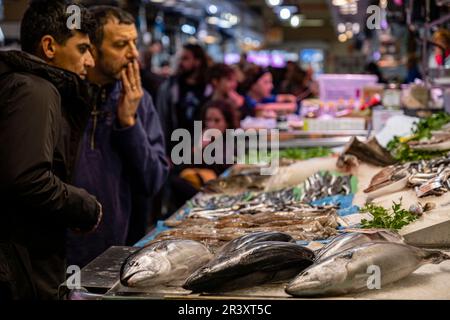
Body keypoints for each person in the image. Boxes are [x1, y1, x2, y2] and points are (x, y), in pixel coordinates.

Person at [0, 0, 102, 300]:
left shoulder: (18, 83)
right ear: (49, 46)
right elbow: (26, 178)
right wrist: (83, 207)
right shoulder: (36, 90)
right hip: (21, 265)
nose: (90, 61)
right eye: (82, 49)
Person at [66, 6, 169, 267]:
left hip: (120, 250)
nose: (134, 53)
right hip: (62, 255)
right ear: (92, 49)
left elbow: (153, 180)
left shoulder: (139, 100)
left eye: (134, 42)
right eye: (121, 44)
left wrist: (129, 123)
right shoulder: (63, 98)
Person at [156, 43, 209, 154]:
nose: (180, 62)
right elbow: (162, 121)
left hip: (204, 151)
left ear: (198, 61)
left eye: (185, 58)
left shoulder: (208, 88)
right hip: (175, 151)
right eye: (180, 58)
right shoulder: (169, 87)